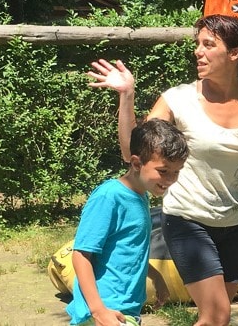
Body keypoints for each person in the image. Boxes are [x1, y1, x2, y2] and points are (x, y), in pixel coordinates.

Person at [87, 14, 238, 326]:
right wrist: (127, 95)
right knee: (218, 315)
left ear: (234, 53)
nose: (197, 51)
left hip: (236, 222)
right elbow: (131, 152)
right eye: (197, 44)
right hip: (187, 218)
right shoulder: (179, 99)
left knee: (215, 317)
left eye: (208, 44)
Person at [67, 119, 189, 326]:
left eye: (177, 171)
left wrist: (155, 276)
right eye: (163, 170)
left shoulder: (141, 195)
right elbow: (81, 254)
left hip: (126, 307)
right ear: (136, 163)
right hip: (107, 309)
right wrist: (99, 311)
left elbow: (127, 249)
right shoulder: (109, 196)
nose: (170, 179)